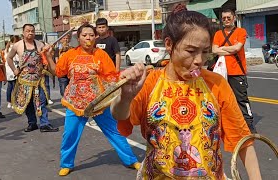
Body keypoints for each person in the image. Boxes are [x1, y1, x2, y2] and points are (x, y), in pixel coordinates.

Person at [110, 5, 261, 180]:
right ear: (169, 44)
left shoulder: (217, 84)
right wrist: (125, 97)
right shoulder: (150, 81)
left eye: (205, 52)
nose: (199, 60)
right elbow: (120, 115)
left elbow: (243, 142)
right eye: (191, 51)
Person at [45, 23, 141, 176]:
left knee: (115, 131)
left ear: (95, 37)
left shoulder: (101, 55)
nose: (88, 38)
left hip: (98, 103)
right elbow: (57, 72)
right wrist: (49, 56)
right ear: (78, 37)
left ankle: (130, 160)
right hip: (75, 101)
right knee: (70, 134)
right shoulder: (69, 54)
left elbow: (111, 76)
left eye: (91, 35)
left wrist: (123, 83)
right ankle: (66, 164)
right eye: (84, 35)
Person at [6, 24, 58, 133]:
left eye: (32, 31)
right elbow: (9, 58)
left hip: (38, 79)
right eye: (28, 31)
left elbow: (48, 56)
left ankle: (44, 124)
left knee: (41, 101)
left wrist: (48, 51)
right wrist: (15, 70)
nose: (30, 33)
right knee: (28, 103)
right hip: (24, 80)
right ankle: (32, 123)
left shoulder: (40, 44)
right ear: (23, 33)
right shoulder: (17, 45)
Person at [212, 9, 257, 133]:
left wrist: (223, 48)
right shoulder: (218, 34)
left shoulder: (241, 31)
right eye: (224, 18)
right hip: (222, 73)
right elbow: (214, 50)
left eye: (229, 17)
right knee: (223, 100)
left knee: (241, 100)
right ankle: (229, 125)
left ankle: (249, 124)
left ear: (234, 18)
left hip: (237, 72)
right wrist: (229, 49)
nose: (226, 20)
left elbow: (237, 48)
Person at [4, 35, 21, 109]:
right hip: (14, 69)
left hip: (8, 70)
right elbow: (18, 59)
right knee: (15, 87)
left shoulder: (7, 49)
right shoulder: (15, 48)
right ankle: (15, 102)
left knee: (10, 87)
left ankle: (9, 102)